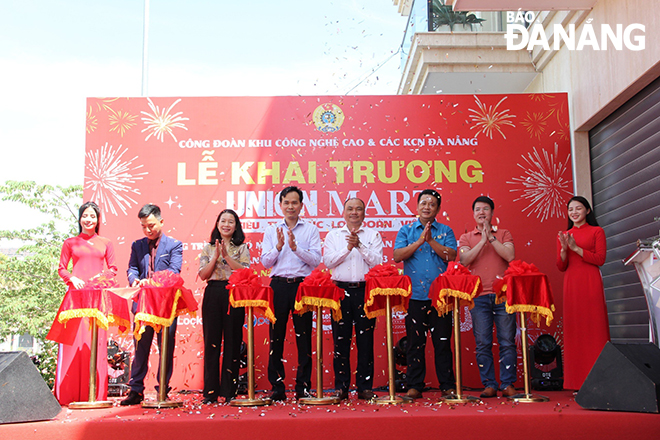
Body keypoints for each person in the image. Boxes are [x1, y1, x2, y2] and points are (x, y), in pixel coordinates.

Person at [393, 189, 457, 399]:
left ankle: (447, 385)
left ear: (438, 209)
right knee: (414, 344)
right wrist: (420, 241)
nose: (427, 207)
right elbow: (397, 256)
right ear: (417, 206)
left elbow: (451, 255)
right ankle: (414, 385)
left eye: (431, 204)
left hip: (440, 298)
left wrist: (431, 241)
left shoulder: (446, 231)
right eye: (423, 203)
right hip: (415, 297)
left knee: (442, 343)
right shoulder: (406, 231)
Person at [52, 201, 117, 405]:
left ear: (98, 220)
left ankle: (95, 395)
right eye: (85, 216)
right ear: (80, 218)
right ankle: (67, 394)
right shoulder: (70, 242)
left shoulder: (106, 242)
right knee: (73, 343)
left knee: (95, 342)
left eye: (93, 216)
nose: (88, 220)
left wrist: (102, 276)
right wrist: (72, 278)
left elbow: (113, 269)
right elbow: (62, 268)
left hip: (97, 298)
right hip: (76, 297)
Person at [261, 186, 321, 401]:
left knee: (304, 338)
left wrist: (296, 249)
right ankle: (277, 388)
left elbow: (316, 260)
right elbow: (265, 262)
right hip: (278, 286)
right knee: (275, 337)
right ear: (280, 205)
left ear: (301, 205)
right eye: (286, 202)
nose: (290, 206)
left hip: (302, 287)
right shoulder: (271, 230)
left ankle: (303, 387)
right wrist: (278, 247)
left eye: (294, 203)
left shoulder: (311, 230)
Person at [121, 204, 183, 406]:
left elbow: (174, 271)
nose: (148, 230)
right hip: (143, 305)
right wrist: (135, 280)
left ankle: (163, 389)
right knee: (140, 348)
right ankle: (136, 390)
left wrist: (153, 281)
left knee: (166, 347)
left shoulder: (174, 245)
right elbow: (131, 268)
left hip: (165, 306)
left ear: (161, 222)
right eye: (143, 226)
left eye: (151, 225)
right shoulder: (137, 245)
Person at [323, 198, 383, 401]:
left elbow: (377, 263)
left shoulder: (373, 235)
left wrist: (360, 246)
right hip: (340, 291)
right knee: (341, 341)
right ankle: (341, 387)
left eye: (359, 209)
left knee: (366, 340)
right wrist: (348, 248)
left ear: (364, 213)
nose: (354, 212)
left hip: (365, 291)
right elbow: (328, 261)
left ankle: (365, 387)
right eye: (350, 209)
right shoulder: (333, 235)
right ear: (343, 212)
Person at [458, 196, 517, 398]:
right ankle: (489, 383)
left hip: (503, 295)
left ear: (492, 212)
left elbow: (510, 256)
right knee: (483, 342)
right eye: (477, 210)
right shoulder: (466, 238)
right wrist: (481, 240)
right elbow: (464, 260)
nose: (481, 213)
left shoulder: (503, 233)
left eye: (485, 209)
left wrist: (490, 238)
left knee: (507, 341)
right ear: (473, 214)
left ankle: (508, 383)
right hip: (479, 297)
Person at [198, 209, 250, 404]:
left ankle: (229, 390)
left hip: (234, 293)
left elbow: (245, 271)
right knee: (212, 341)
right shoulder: (208, 247)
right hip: (213, 292)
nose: (226, 225)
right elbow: (203, 275)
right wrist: (215, 256)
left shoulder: (242, 248)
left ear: (236, 226)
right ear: (217, 224)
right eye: (223, 221)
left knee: (233, 341)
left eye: (230, 221)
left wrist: (227, 256)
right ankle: (210, 392)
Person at [557, 196, 609, 390]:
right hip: (571, 284)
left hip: (590, 282)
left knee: (595, 328)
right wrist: (564, 249)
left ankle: (601, 381)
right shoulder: (564, 234)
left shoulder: (597, 231)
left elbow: (600, 259)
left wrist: (576, 248)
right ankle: (575, 382)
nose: (574, 212)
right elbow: (561, 266)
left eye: (578, 208)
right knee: (575, 329)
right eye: (571, 209)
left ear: (587, 210)